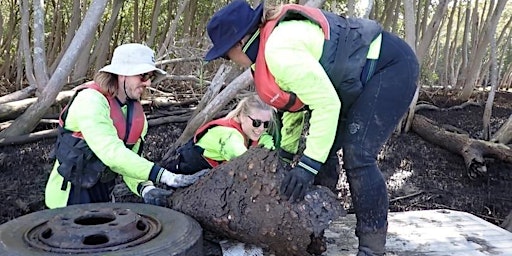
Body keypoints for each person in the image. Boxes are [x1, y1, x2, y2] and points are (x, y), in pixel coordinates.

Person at [204, 1, 419, 256]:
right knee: (322, 152)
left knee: (358, 154)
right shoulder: (267, 53)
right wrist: (286, 154)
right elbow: (295, 107)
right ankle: (319, 225)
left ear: (238, 43)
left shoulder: (278, 51)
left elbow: (326, 104)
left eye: (226, 55)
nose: (229, 61)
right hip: (354, 84)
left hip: (390, 68)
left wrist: (306, 167)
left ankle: (372, 248)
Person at [45, 43, 206, 209]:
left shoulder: (136, 115)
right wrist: (166, 176)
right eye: (143, 76)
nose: (148, 83)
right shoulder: (90, 101)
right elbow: (111, 153)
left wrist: (146, 189)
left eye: (150, 77)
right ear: (122, 74)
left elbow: (128, 160)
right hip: (69, 198)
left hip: (104, 196)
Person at [164, 94, 275, 175]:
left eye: (266, 124)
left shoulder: (244, 128)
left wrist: (268, 144)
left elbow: (265, 138)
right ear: (242, 116)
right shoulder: (230, 137)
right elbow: (248, 163)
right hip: (179, 173)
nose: (260, 129)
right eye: (256, 123)